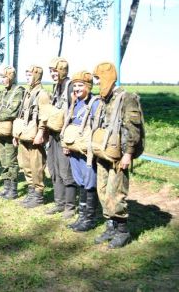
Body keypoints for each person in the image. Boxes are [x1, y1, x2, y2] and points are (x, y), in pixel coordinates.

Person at [91, 62, 144, 248]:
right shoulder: (104, 100)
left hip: (119, 155)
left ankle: (122, 230)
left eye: (98, 79)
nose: (96, 83)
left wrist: (128, 154)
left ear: (107, 77)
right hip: (104, 153)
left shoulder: (126, 98)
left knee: (116, 192)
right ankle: (110, 226)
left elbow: (133, 129)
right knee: (103, 190)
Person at [60, 71, 100, 232]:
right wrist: (66, 144)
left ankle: (89, 218)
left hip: (87, 152)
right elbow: (68, 124)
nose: (76, 88)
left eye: (80, 85)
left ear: (88, 86)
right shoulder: (75, 103)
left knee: (90, 182)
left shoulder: (95, 103)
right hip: (74, 149)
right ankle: (82, 216)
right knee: (80, 181)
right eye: (75, 85)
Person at [45, 57, 77, 219]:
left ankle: (70, 206)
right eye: (51, 71)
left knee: (66, 171)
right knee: (54, 168)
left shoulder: (71, 86)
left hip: (65, 135)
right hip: (53, 134)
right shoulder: (56, 87)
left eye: (55, 71)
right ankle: (59, 202)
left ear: (63, 70)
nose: (53, 74)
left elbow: (76, 110)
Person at [14, 65, 50, 208]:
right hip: (24, 133)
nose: (27, 77)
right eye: (26, 75)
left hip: (35, 135)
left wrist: (41, 132)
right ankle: (31, 191)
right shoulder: (28, 93)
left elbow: (45, 116)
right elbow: (21, 114)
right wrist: (16, 134)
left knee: (36, 166)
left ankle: (38, 194)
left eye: (30, 75)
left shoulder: (42, 94)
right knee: (25, 164)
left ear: (37, 76)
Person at [0, 66, 25, 199]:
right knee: (4, 159)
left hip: (10, 131)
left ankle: (13, 189)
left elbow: (12, 111)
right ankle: (6, 188)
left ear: (11, 77)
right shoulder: (3, 92)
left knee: (11, 160)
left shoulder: (18, 91)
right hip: (1, 131)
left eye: (5, 77)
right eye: (2, 78)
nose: (3, 80)